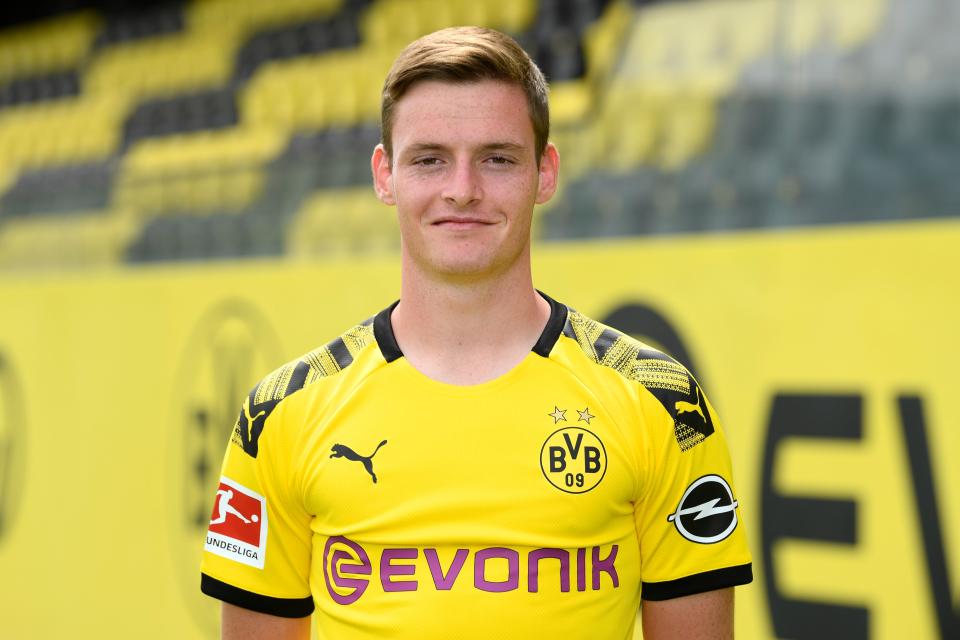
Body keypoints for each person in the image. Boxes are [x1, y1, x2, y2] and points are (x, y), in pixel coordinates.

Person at [200, 26, 752, 639]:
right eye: (429, 159)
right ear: (385, 175)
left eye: (497, 159)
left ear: (545, 173)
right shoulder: (279, 416)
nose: (462, 190)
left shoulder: (662, 403)